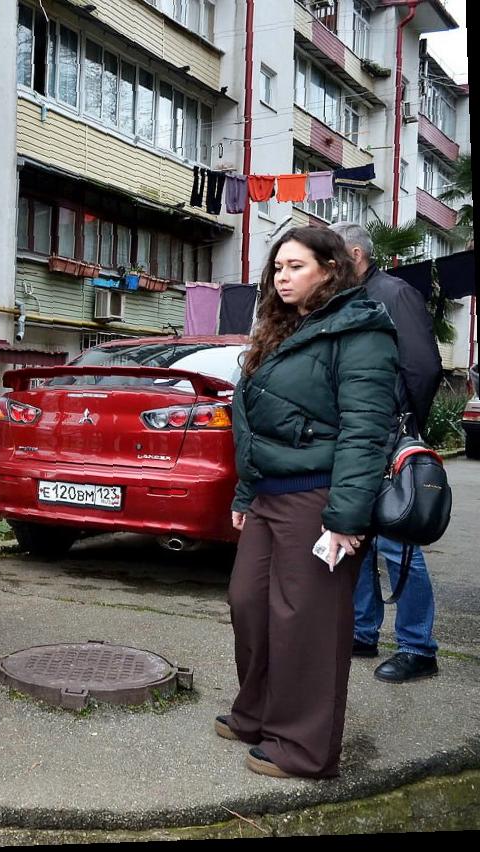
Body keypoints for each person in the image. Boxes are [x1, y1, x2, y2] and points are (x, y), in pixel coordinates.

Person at [223, 226, 398, 779]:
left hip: (318, 498)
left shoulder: (361, 329)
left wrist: (346, 519)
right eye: (278, 268)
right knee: (247, 603)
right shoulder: (280, 328)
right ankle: (258, 713)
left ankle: (304, 748)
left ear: (331, 267)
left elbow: (365, 429)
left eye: (296, 266)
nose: (283, 277)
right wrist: (246, 490)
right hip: (269, 496)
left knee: (308, 622)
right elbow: (251, 420)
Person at [331, 222, 443, 684]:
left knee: (400, 543)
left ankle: (419, 647)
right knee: (357, 537)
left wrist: (404, 427)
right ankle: (363, 632)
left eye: (332, 257)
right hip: (356, 435)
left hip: (390, 437)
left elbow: (424, 367)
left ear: (355, 254)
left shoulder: (394, 293)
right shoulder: (347, 298)